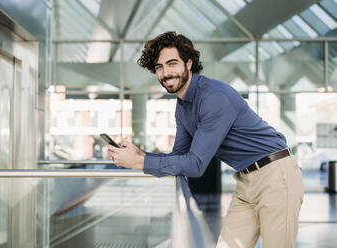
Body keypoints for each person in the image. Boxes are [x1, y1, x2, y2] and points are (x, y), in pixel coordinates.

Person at [107, 31, 304, 248]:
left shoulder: (213, 97)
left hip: (276, 176)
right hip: (246, 181)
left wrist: (139, 163)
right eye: (159, 67)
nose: (165, 73)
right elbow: (180, 157)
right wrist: (141, 155)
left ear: (189, 63)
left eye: (172, 64)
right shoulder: (183, 106)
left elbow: (196, 165)